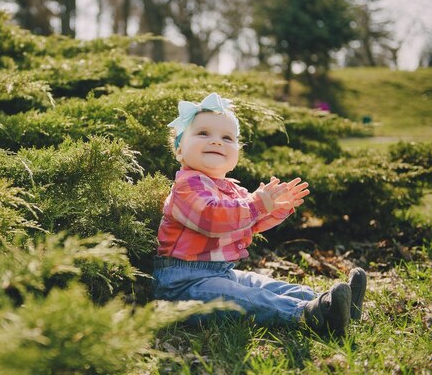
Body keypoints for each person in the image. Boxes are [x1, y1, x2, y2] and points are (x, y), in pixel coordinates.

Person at [153, 92, 366, 335]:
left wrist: (275, 208)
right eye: (203, 134)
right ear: (179, 149)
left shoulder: (232, 189)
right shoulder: (187, 186)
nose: (217, 141)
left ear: (236, 156)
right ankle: (309, 314)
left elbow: (248, 223)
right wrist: (257, 205)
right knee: (248, 297)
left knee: (265, 285)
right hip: (182, 285)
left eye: (227, 138)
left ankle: (334, 304)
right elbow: (213, 220)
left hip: (220, 272)